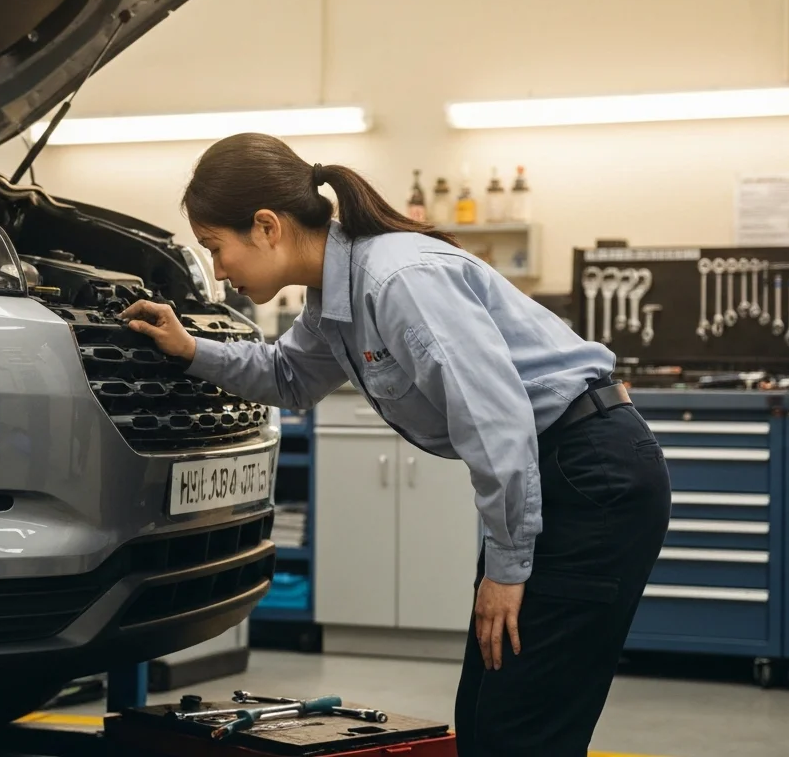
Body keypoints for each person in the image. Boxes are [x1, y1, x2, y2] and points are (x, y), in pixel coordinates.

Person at [120, 133, 672, 757]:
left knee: (523, 727)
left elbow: (496, 417)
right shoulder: (337, 293)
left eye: (216, 248)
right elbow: (288, 376)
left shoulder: (395, 278)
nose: (219, 270)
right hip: (556, 470)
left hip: (587, 476)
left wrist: (508, 567)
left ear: (267, 226)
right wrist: (191, 349)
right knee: (490, 719)